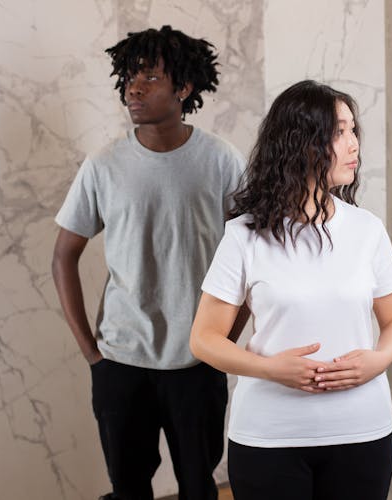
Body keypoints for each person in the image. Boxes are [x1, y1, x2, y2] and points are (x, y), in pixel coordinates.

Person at [189, 80, 392, 500]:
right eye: (339, 132)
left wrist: (378, 360)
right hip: (269, 437)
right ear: (302, 143)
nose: (354, 146)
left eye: (354, 131)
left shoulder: (367, 230)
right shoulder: (243, 235)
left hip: (361, 432)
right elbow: (204, 339)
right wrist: (270, 368)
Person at [51, 25, 245, 500]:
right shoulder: (103, 165)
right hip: (120, 361)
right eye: (129, 77)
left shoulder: (221, 162)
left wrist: (222, 345)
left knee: (199, 488)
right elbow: (63, 256)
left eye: (150, 78)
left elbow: (254, 261)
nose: (133, 88)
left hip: (196, 363)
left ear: (184, 88)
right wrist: (92, 356)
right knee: (128, 489)